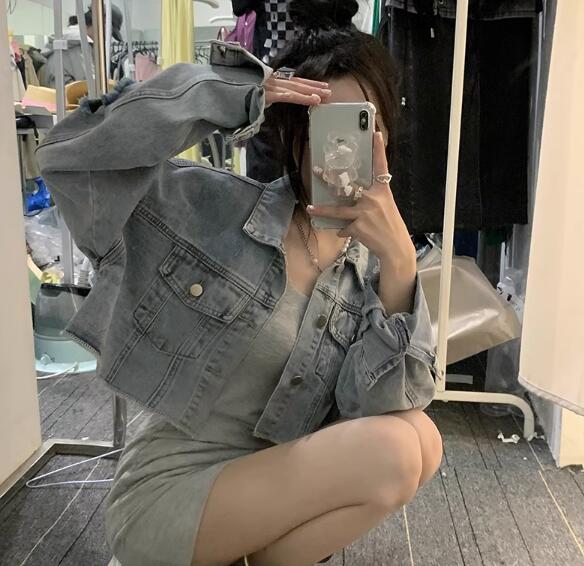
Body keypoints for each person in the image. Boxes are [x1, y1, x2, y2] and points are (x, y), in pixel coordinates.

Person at [37, 1, 441, 565]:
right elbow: (69, 161)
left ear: (385, 136)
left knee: (421, 440)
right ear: (295, 133)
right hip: (171, 490)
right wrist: (233, 93)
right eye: (324, 124)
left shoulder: (370, 275)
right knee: (398, 449)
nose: (340, 149)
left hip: (266, 491)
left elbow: (375, 412)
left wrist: (399, 263)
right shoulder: (212, 208)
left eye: (360, 123)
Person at [40, 5, 123, 88]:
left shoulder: (68, 41)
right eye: (110, 33)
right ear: (103, 22)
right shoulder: (79, 44)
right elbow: (91, 84)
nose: (107, 38)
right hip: (68, 95)